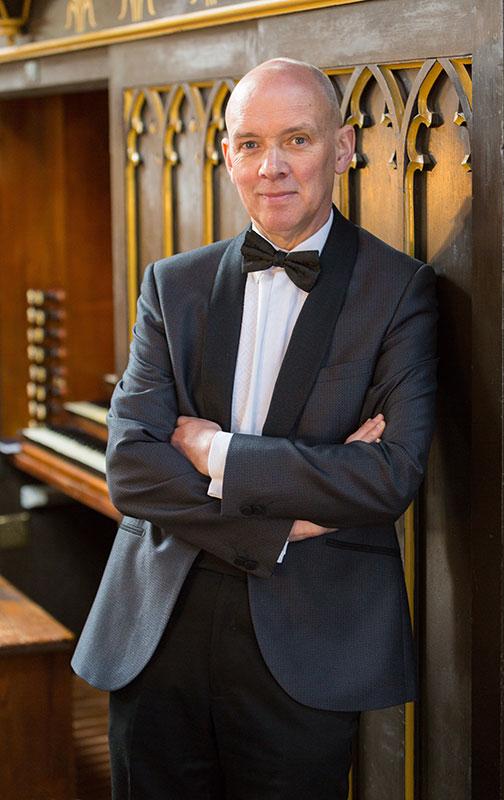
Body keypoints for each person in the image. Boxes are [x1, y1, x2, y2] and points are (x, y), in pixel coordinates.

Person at [72, 58, 438, 799]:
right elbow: (131, 469)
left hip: (308, 645)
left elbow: (387, 476)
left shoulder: (398, 291)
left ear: (340, 149)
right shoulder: (171, 285)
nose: (270, 167)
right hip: (155, 633)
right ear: (227, 154)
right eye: (248, 144)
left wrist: (216, 451)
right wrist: (280, 522)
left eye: (295, 140)